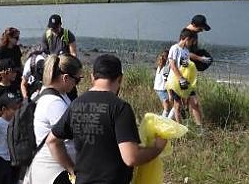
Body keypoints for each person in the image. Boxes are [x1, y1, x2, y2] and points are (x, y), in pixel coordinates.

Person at [47, 54, 167, 184]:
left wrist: (71, 170)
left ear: (92, 77)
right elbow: (131, 158)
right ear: (120, 78)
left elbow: (52, 141)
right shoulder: (120, 108)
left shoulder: (76, 104)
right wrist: (157, 148)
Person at [24, 54, 83, 184]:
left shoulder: (52, 94)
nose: (76, 84)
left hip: (47, 168)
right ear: (65, 78)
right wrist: (72, 170)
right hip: (54, 172)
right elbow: (61, 140)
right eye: (77, 80)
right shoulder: (54, 103)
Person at [167, 29, 202, 125]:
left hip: (185, 81)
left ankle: (200, 127)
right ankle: (180, 128)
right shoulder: (174, 48)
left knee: (194, 103)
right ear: (186, 39)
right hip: (175, 81)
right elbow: (173, 65)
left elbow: (186, 66)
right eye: (191, 41)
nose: (192, 44)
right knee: (177, 106)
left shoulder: (186, 51)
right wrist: (180, 79)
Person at [152, 49, 171, 118]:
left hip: (157, 88)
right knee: (167, 108)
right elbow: (166, 81)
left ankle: (164, 119)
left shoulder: (159, 66)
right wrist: (169, 93)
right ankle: (163, 121)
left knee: (167, 107)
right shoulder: (165, 68)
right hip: (162, 89)